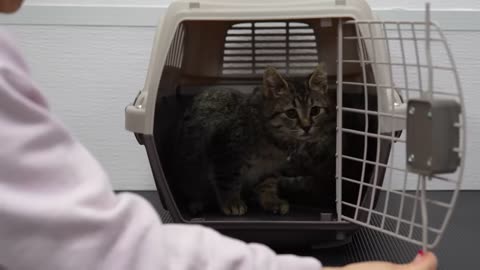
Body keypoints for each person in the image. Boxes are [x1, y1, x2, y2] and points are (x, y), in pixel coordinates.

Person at [0, 0, 438, 269]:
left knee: (270, 171)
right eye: (294, 114)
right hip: (204, 197)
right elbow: (98, 250)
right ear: (269, 102)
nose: (307, 124)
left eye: (315, 114)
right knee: (234, 163)